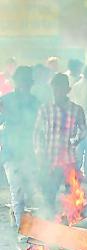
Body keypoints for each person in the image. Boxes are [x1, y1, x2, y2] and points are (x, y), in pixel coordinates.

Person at [33, 73, 87, 213]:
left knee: (72, 195)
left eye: (60, 89)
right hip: (49, 160)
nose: (57, 93)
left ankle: (71, 221)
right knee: (49, 196)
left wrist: (74, 141)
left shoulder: (76, 109)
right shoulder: (45, 109)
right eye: (54, 89)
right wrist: (39, 152)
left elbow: (84, 130)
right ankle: (50, 223)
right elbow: (38, 132)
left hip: (69, 160)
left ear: (67, 90)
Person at [0, 66, 40, 228]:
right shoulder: (5, 100)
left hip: (30, 152)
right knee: (17, 191)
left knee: (28, 191)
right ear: (16, 82)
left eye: (27, 82)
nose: (24, 85)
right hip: (11, 152)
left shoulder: (35, 102)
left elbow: (41, 128)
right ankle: (20, 228)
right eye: (22, 81)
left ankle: (21, 221)